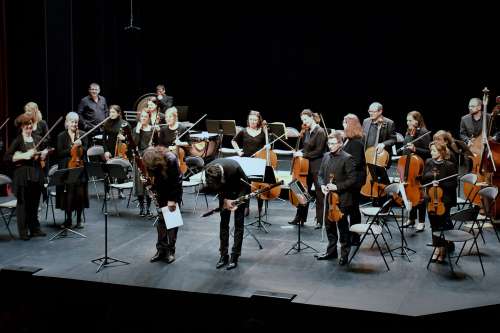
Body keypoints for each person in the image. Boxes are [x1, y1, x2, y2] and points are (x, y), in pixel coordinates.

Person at [4, 113, 49, 240]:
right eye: (26, 125)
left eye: (30, 124)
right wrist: (24, 155)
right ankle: (23, 232)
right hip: (22, 176)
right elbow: (7, 157)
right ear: (21, 127)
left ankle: (35, 229)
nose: (29, 127)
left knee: (34, 203)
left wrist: (43, 155)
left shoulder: (37, 138)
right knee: (23, 205)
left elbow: (41, 155)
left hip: (36, 174)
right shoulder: (18, 140)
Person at [315, 131, 356, 265]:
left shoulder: (347, 158)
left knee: (343, 227)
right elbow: (320, 175)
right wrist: (322, 186)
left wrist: (336, 187)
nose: (330, 146)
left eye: (333, 143)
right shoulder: (326, 156)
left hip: (342, 199)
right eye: (329, 143)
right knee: (329, 226)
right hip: (328, 198)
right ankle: (331, 252)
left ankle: (344, 254)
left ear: (340, 144)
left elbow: (352, 180)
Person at [205, 158, 249, 270]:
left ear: (222, 177)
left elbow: (246, 186)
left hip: (239, 192)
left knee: (239, 224)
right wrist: (225, 200)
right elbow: (214, 187)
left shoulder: (235, 168)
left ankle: (235, 256)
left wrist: (237, 202)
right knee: (223, 224)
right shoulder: (208, 169)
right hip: (224, 193)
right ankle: (223, 255)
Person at [143, 145, 183, 264]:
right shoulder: (149, 157)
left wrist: (172, 199)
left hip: (173, 191)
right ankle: (161, 250)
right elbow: (155, 176)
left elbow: (177, 180)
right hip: (161, 190)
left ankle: (171, 251)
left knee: (172, 222)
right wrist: (151, 186)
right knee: (161, 220)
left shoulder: (171, 159)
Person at [289, 109, 327, 229]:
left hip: (317, 167)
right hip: (305, 166)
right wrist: (299, 152)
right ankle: (300, 217)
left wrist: (303, 155)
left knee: (319, 194)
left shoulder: (320, 132)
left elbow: (319, 151)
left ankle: (320, 220)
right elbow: (306, 148)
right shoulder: (306, 131)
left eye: (306, 119)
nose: (304, 122)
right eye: (302, 120)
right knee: (303, 191)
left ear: (311, 117)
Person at [422, 141, 457, 264]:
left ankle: (442, 250)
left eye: (434, 151)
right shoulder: (428, 162)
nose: (431, 153)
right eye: (431, 150)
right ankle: (436, 249)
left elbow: (453, 184)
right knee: (434, 225)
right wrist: (432, 177)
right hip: (431, 199)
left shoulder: (449, 165)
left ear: (441, 152)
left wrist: (441, 183)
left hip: (444, 200)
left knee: (442, 225)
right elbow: (423, 178)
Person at [55, 112, 90, 229]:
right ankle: (68, 219)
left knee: (79, 195)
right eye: (72, 121)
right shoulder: (61, 136)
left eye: (76, 122)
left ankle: (79, 219)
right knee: (68, 195)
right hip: (67, 168)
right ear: (67, 123)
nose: (74, 124)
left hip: (79, 169)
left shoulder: (83, 135)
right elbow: (59, 153)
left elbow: (85, 150)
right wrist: (72, 148)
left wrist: (80, 145)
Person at [400, 111, 431, 232]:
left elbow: (428, 152)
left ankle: (422, 222)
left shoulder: (423, 132)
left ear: (417, 121)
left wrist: (415, 149)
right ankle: (411, 219)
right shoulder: (409, 132)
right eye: (407, 120)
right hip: (409, 168)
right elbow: (405, 149)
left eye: (410, 120)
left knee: (420, 196)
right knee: (409, 194)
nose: (408, 123)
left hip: (420, 168)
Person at [341, 114, 366, 245]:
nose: (342, 125)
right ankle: (352, 235)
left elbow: (355, 162)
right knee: (351, 207)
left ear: (350, 125)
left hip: (355, 180)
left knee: (353, 208)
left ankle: (355, 237)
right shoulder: (349, 140)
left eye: (345, 123)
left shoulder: (356, 142)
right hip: (351, 178)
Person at [132, 109, 155, 217]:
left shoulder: (153, 130)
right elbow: (134, 144)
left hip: (149, 158)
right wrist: (137, 131)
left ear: (149, 118)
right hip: (139, 158)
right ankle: (141, 207)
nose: (143, 119)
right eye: (141, 117)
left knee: (149, 184)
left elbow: (157, 144)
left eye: (145, 117)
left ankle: (149, 208)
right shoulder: (135, 129)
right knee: (140, 184)